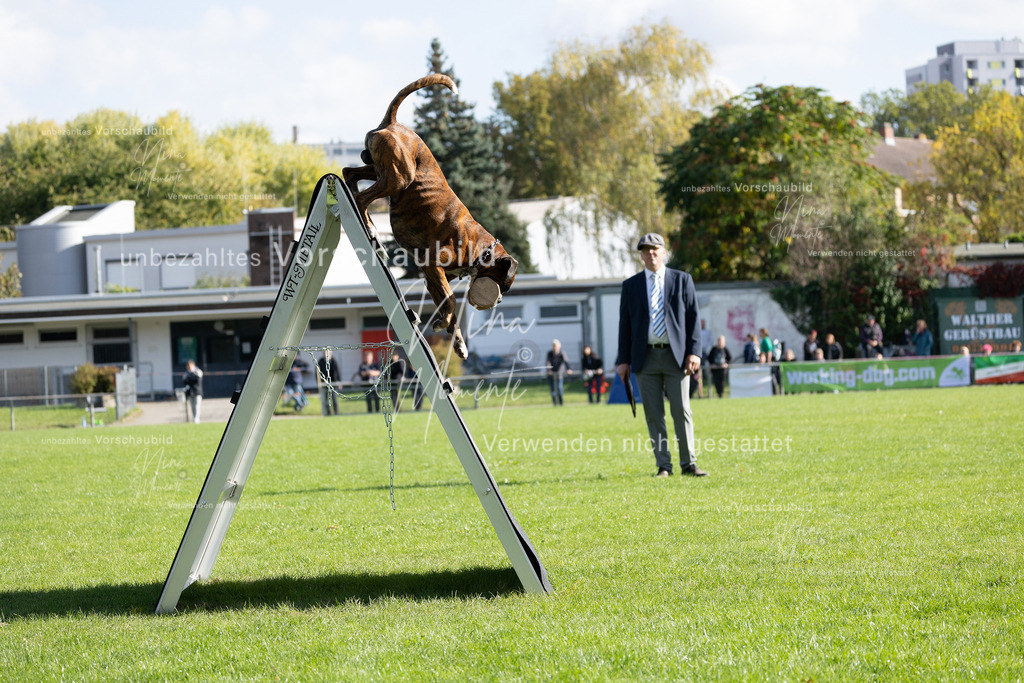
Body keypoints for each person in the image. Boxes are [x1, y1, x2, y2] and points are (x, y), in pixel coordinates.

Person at [615, 233, 707, 477]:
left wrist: (694, 352)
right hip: (645, 358)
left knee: (681, 411)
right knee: (654, 415)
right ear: (641, 255)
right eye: (645, 250)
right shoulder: (630, 286)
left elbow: (693, 318)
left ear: (664, 251)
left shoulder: (682, 280)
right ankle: (663, 466)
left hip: (677, 357)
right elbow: (625, 325)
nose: (650, 254)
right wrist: (623, 360)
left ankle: (689, 464)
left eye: (655, 249)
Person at [546, 339, 572, 406]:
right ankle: (555, 403)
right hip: (551, 375)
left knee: (559, 388)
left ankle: (561, 402)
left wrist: (568, 369)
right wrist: (549, 370)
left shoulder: (562, 353)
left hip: (559, 375)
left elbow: (566, 362)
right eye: (554, 346)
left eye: (556, 345)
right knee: (553, 390)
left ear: (559, 346)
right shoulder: (550, 353)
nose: (555, 347)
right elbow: (548, 363)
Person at [317, 349, 340, 416]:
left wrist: (338, 381)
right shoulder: (321, 361)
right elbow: (318, 373)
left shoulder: (333, 361)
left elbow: (337, 371)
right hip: (324, 383)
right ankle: (328, 413)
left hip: (333, 383)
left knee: (334, 399)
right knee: (326, 400)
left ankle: (336, 412)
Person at [182, 359, 203, 424]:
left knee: (197, 406)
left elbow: (197, 380)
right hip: (190, 393)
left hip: (197, 392)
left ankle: (196, 419)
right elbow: (184, 381)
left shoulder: (198, 371)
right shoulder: (186, 373)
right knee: (192, 406)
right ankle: (194, 418)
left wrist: (190, 379)